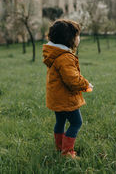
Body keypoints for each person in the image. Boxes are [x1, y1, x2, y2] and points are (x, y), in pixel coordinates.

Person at [42, 19, 93, 158]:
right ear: (69, 39)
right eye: (77, 35)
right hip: (65, 98)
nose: (79, 39)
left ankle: (60, 148)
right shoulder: (65, 58)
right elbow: (73, 80)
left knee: (60, 122)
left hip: (56, 97)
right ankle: (67, 152)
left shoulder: (55, 54)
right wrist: (86, 84)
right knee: (77, 122)